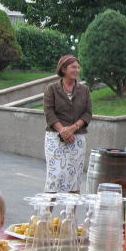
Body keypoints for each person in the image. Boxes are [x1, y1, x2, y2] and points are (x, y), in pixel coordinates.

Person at [43, 55, 92, 193]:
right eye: (73, 67)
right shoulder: (51, 88)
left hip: (77, 139)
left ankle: (72, 208)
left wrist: (73, 128)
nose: (77, 70)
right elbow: (49, 112)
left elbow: (88, 113)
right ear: (63, 69)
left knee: (74, 178)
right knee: (55, 177)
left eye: (78, 67)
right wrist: (63, 131)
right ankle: (50, 207)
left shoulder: (84, 90)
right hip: (55, 138)